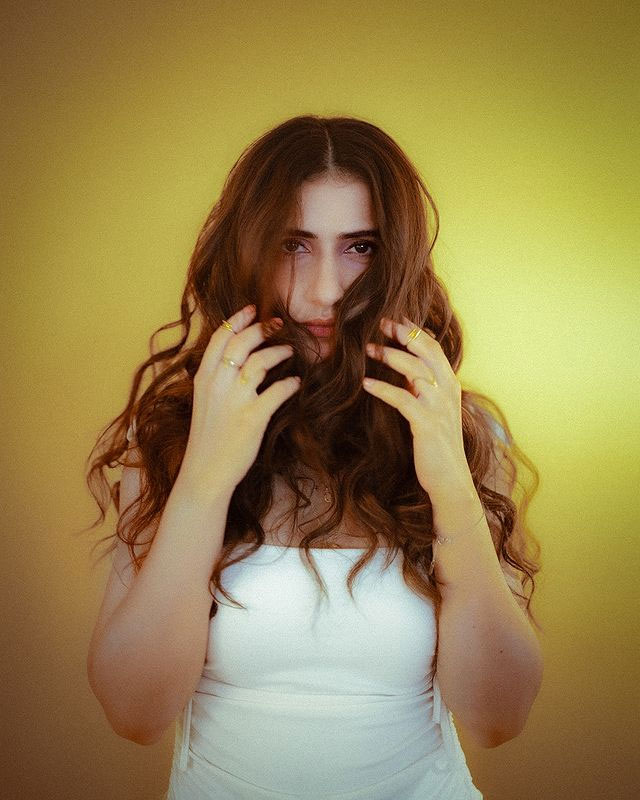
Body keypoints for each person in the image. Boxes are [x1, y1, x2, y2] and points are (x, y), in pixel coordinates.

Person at [86, 114, 544, 799]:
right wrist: (205, 480)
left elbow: (497, 719)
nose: (328, 290)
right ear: (247, 250)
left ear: (397, 260)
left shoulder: (462, 430)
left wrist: (450, 486)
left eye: (360, 246)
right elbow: (135, 714)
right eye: (293, 244)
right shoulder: (172, 433)